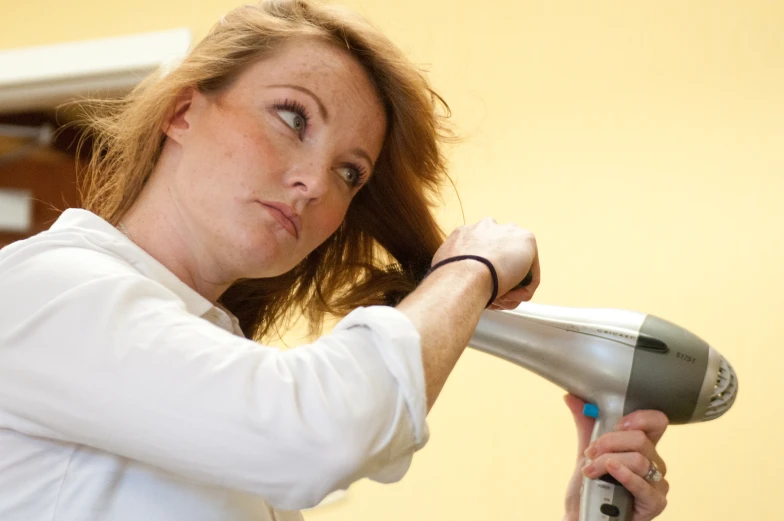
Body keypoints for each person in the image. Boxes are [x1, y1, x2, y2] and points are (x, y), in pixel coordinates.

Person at [0, 1, 669, 520]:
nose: (316, 183)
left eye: (350, 172)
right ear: (182, 110)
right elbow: (312, 432)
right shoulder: (48, 288)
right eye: (293, 118)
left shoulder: (216, 372)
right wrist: (472, 268)